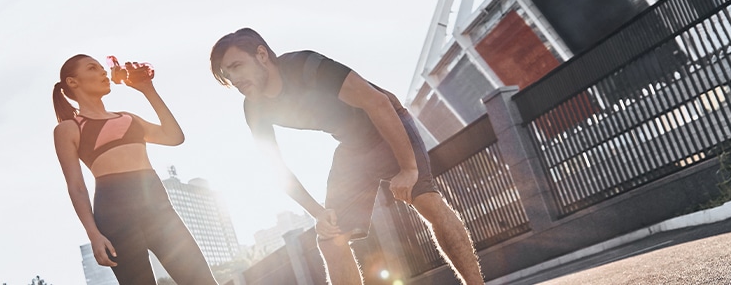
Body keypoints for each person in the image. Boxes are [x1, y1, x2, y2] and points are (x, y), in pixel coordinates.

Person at [209, 28, 486, 285]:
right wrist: (318, 213)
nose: (233, 79)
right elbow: (277, 168)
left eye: (236, 66)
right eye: (227, 74)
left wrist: (409, 169)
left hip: (385, 125)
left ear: (261, 54)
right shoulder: (254, 109)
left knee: (426, 200)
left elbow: (375, 102)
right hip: (351, 148)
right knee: (330, 239)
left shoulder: (305, 65)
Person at [51, 54, 217, 285]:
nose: (102, 72)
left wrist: (147, 89)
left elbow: (174, 137)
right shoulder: (69, 129)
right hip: (114, 214)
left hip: (158, 207)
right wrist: (93, 234)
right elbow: (76, 186)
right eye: (92, 68)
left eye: (102, 68)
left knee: (201, 281)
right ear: (72, 82)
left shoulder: (129, 118)